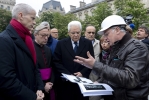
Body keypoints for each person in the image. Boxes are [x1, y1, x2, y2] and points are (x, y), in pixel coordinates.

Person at [74, 15, 149, 100]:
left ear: (117, 30)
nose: (105, 38)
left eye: (106, 34)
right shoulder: (116, 46)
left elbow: (130, 79)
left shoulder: (137, 47)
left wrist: (95, 65)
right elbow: (111, 71)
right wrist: (98, 82)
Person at [0, 3, 44, 100]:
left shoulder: (27, 38)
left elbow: (35, 67)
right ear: (20, 16)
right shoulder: (4, 40)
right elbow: (7, 79)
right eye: (32, 18)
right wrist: (32, 97)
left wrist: (40, 88)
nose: (34, 22)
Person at [53, 21, 94, 100]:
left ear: (81, 32)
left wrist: (82, 73)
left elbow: (91, 61)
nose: (76, 35)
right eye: (73, 33)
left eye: (78, 32)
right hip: (66, 83)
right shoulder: (61, 44)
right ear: (68, 33)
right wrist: (68, 75)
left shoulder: (88, 43)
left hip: (83, 82)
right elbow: (56, 62)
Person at [34, 24, 55, 100]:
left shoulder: (48, 49)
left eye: (47, 35)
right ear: (36, 34)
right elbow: (31, 70)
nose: (46, 38)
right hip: (37, 85)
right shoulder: (30, 48)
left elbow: (53, 67)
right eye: (43, 35)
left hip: (50, 84)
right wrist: (43, 85)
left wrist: (51, 82)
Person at [84, 25, 100, 100]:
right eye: (89, 32)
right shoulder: (80, 43)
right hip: (83, 74)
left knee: (94, 96)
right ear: (85, 33)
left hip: (95, 75)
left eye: (93, 32)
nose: (91, 34)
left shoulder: (99, 44)